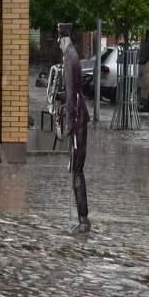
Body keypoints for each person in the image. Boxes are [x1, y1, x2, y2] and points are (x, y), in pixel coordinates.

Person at [58, 23, 90, 234]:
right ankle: (82, 218)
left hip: (77, 118)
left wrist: (69, 124)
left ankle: (84, 220)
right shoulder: (72, 55)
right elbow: (72, 92)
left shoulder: (69, 57)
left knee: (76, 171)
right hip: (78, 115)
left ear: (62, 39)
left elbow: (72, 94)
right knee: (75, 170)